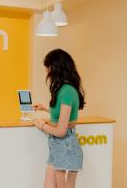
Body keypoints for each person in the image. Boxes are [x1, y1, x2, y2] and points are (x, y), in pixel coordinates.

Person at [32, 48, 85, 188]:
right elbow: (64, 117)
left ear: (55, 68)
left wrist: (41, 124)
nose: (46, 72)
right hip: (59, 146)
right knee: (49, 184)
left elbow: (61, 131)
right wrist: (45, 109)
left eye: (48, 67)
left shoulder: (67, 91)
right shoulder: (63, 89)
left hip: (65, 145)